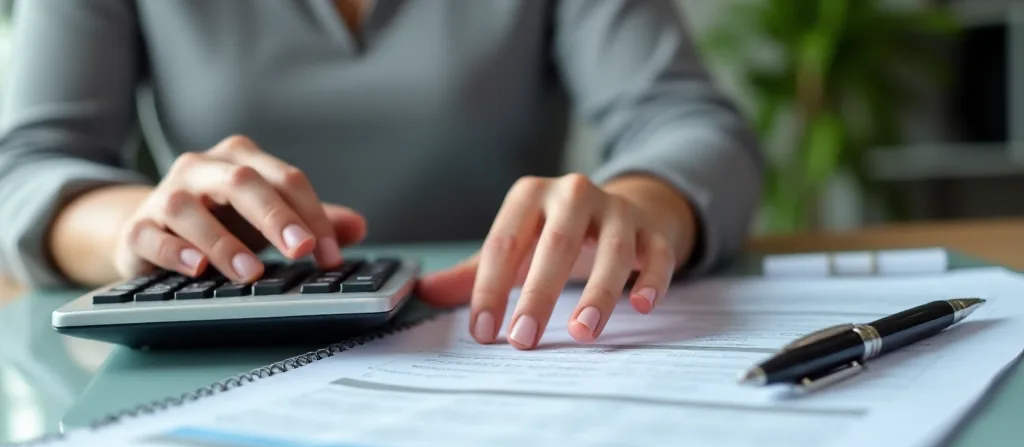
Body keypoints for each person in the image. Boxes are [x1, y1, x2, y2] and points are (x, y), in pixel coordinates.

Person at [0, 0, 762, 349]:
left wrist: (642, 206)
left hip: (496, 343)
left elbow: (692, 126)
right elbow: (25, 166)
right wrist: (136, 228)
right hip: (212, 352)